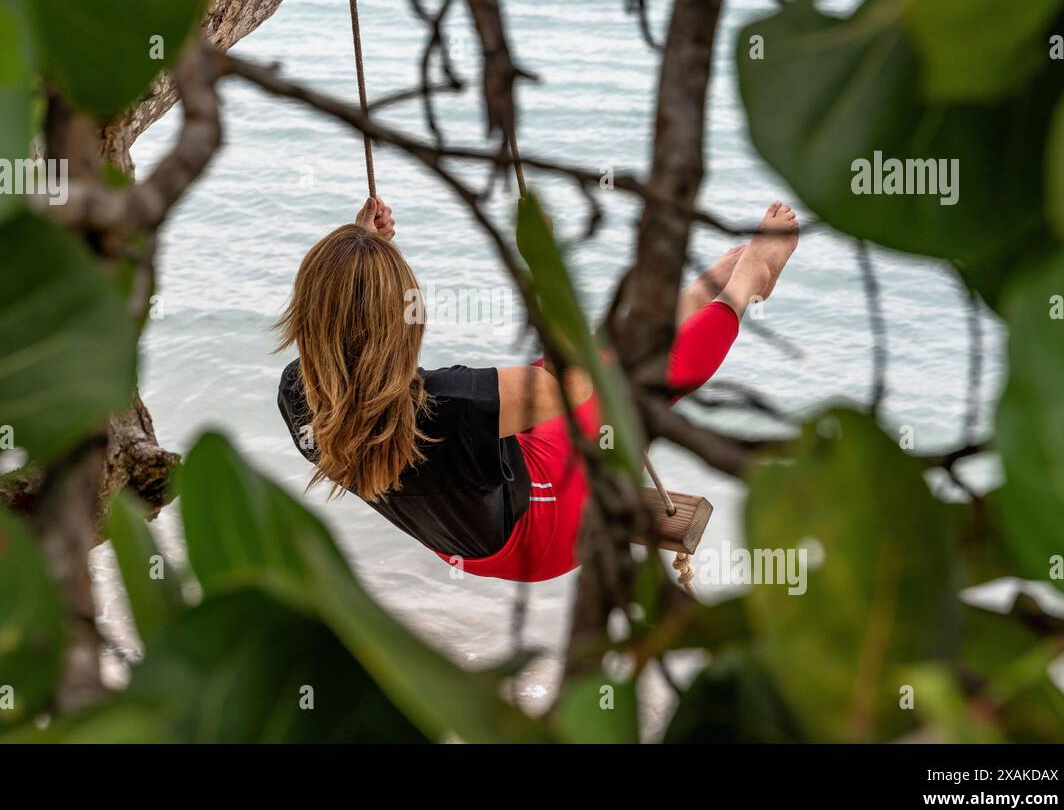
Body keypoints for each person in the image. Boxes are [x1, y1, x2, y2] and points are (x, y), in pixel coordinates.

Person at [276, 196, 798, 581]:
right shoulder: (452, 405)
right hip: (543, 532)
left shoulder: (298, 396)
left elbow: (342, 332)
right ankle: (744, 284)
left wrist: (363, 250)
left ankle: (706, 291)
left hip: (463, 529)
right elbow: (574, 384)